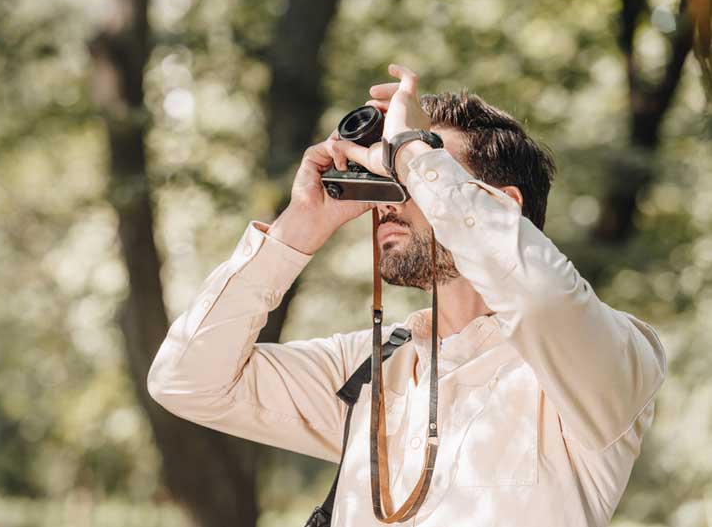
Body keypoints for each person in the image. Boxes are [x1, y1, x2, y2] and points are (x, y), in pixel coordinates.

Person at [146, 64, 667, 526]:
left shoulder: (608, 359)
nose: (393, 196)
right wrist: (300, 225)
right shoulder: (369, 368)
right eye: (395, 175)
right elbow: (186, 380)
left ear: (502, 205)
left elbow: (540, 300)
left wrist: (415, 153)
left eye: (416, 175)